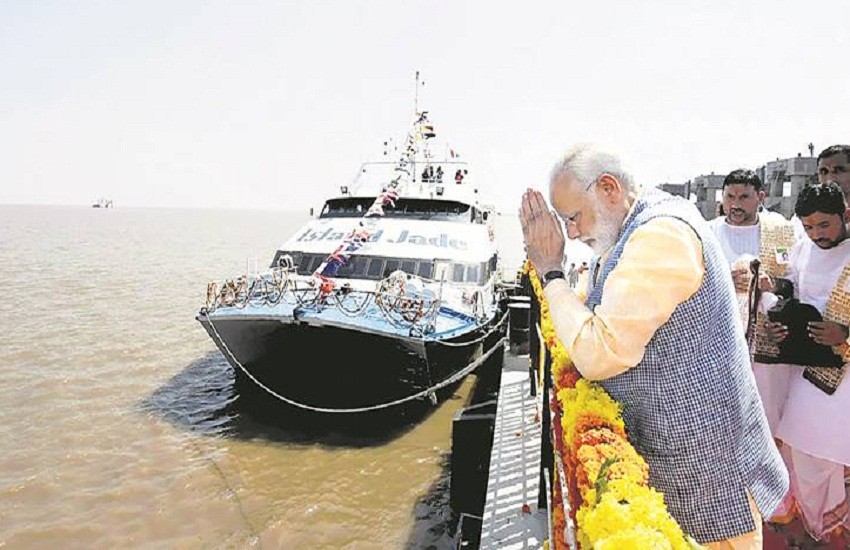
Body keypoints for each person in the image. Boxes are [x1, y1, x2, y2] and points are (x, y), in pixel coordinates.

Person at [520, 143, 788, 548]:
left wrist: (551, 271)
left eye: (573, 218)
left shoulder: (661, 234)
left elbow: (599, 352)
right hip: (681, 465)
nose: (571, 233)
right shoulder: (632, 230)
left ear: (609, 188)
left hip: (706, 477)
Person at [758, 182, 850, 543]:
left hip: (843, 374)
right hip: (804, 369)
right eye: (809, 227)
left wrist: (844, 334)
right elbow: (791, 290)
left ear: (844, 215)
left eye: (824, 225)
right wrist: (777, 308)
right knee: (800, 451)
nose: (816, 235)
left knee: (828, 454)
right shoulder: (801, 249)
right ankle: (818, 529)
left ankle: (832, 531)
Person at [707, 169, 796, 432]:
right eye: (730, 197)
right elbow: (690, 280)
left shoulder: (781, 232)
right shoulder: (707, 233)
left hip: (768, 342)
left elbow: (795, 282)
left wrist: (771, 284)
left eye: (744, 197)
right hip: (720, 337)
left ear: (760, 197)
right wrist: (725, 280)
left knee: (768, 416)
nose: (735, 204)